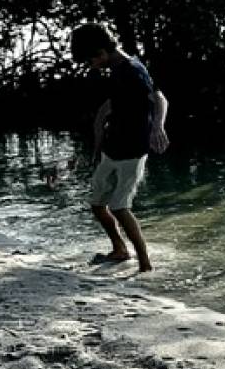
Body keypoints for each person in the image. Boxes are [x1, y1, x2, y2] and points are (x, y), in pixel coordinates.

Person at [69, 23, 169, 273]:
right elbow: (110, 104)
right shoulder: (114, 70)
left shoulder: (134, 70)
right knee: (97, 203)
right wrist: (97, 134)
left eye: (91, 60)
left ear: (101, 52)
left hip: (132, 150)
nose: (91, 66)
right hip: (111, 148)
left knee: (119, 207)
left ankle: (145, 264)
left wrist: (158, 126)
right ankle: (120, 250)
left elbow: (159, 98)